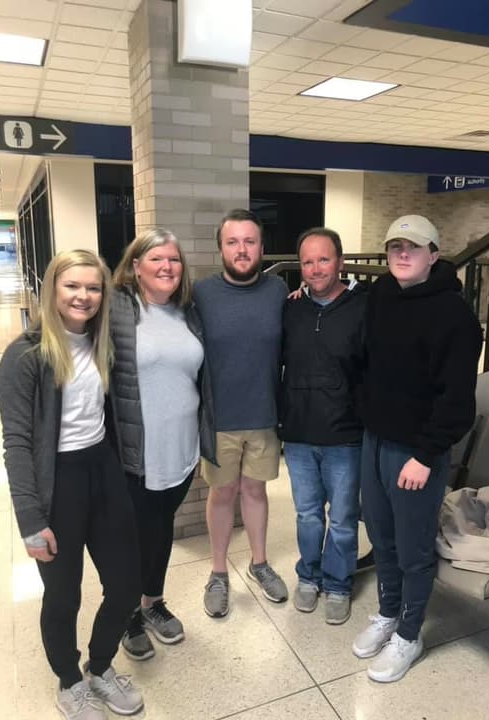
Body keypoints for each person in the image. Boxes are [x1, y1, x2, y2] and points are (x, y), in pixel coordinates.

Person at [0, 250, 144, 720]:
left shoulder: (102, 343)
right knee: (64, 595)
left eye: (94, 288)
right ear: (53, 289)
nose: (84, 296)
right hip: (56, 483)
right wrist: (30, 521)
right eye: (73, 286)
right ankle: (69, 680)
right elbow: (16, 443)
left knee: (125, 584)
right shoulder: (25, 355)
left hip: (101, 470)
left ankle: (100, 667)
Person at [353, 215, 482, 682]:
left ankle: (410, 633)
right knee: (382, 537)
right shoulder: (383, 296)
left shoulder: (456, 317)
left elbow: (456, 402)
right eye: (394, 247)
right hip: (375, 440)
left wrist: (426, 456)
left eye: (413, 247)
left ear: (433, 254)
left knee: (412, 549)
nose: (403, 254)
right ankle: (388, 613)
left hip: (416, 452)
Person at [111, 228, 215, 661]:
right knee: (132, 536)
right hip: (134, 453)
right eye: (156, 259)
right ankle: (126, 614)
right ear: (135, 267)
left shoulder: (187, 313)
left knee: (158, 530)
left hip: (181, 448)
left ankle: (153, 602)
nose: (167, 267)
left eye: (173, 259)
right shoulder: (117, 309)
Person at [194, 208, 288, 618]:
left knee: (255, 492)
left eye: (250, 241)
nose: (242, 249)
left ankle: (259, 563)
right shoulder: (200, 293)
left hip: (265, 415)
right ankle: (218, 571)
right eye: (233, 242)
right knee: (222, 493)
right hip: (218, 419)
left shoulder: (280, 291)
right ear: (221, 249)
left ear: (262, 248)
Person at [278, 227, 367, 625]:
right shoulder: (291, 307)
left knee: (344, 519)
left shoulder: (363, 305)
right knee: (308, 515)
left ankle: (338, 584)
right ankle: (308, 577)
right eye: (308, 261)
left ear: (341, 262)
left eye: (324, 259)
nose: (316, 268)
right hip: (298, 434)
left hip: (345, 436)